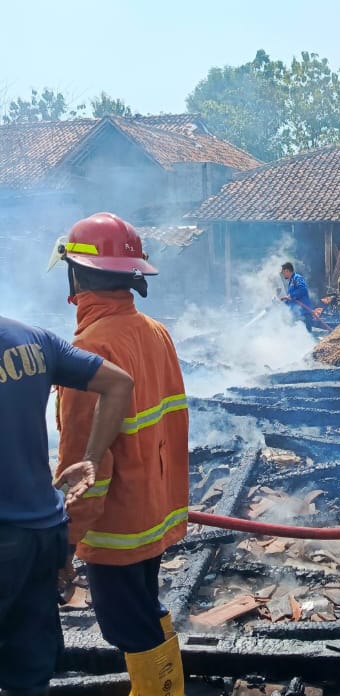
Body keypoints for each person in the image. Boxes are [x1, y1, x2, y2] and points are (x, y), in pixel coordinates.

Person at [51, 212, 189, 694]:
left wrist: (66, 543)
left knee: (127, 625)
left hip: (117, 527)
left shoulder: (89, 350)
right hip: (152, 511)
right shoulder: (154, 330)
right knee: (144, 610)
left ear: (76, 276)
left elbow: (83, 464)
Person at [0, 314, 132, 696]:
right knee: (28, 674)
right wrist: (92, 457)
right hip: (43, 530)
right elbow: (119, 383)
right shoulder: (34, 339)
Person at [280, 262, 312, 330]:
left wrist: (290, 296)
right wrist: (282, 302)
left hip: (304, 313)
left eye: (283, 272)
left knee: (306, 335)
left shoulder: (297, 278)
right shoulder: (291, 281)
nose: (282, 274)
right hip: (297, 314)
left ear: (287, 271)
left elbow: (302, 289)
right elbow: (291, 299)